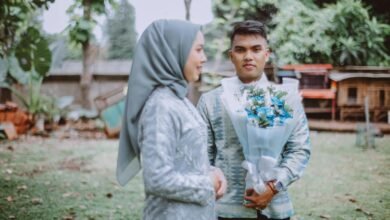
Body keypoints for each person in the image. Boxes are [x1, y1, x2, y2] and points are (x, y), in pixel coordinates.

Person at [197, 20, 311, 220]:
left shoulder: (285, 98)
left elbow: (299, 150)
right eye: (240, 50)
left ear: (266, 54)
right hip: (225, 209)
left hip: (276, 208)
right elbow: (201, 156)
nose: (248, 56)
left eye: (256, 49)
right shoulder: (210, 101)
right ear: (231, 55)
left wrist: (274, 187)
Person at [116, 19, 227, 220]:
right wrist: (207, 183)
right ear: (174, 51)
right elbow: (156, 179)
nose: (204, 58)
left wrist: (214, 172)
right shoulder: (160, 107)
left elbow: (184, 159)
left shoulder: (178, 100)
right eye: (198, 50)